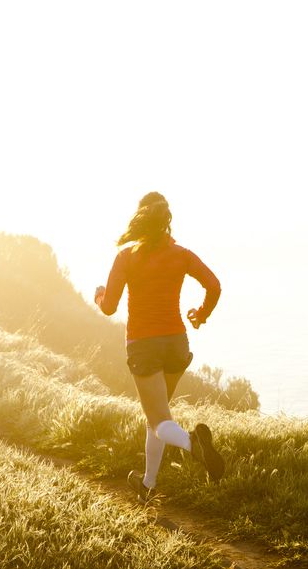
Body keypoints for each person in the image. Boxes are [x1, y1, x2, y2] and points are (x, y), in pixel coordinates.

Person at [94, 191, 225, 501]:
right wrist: (201, 314)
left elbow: (110, 307)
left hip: (144, 347)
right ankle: (148, 484)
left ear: (141, 219)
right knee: (157, 417)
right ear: (167, 221)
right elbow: (214, 285)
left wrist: (99, 295)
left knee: (159, 420)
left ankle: (195, 444)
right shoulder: (182, 255)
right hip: (176, 345)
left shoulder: (126, 257)